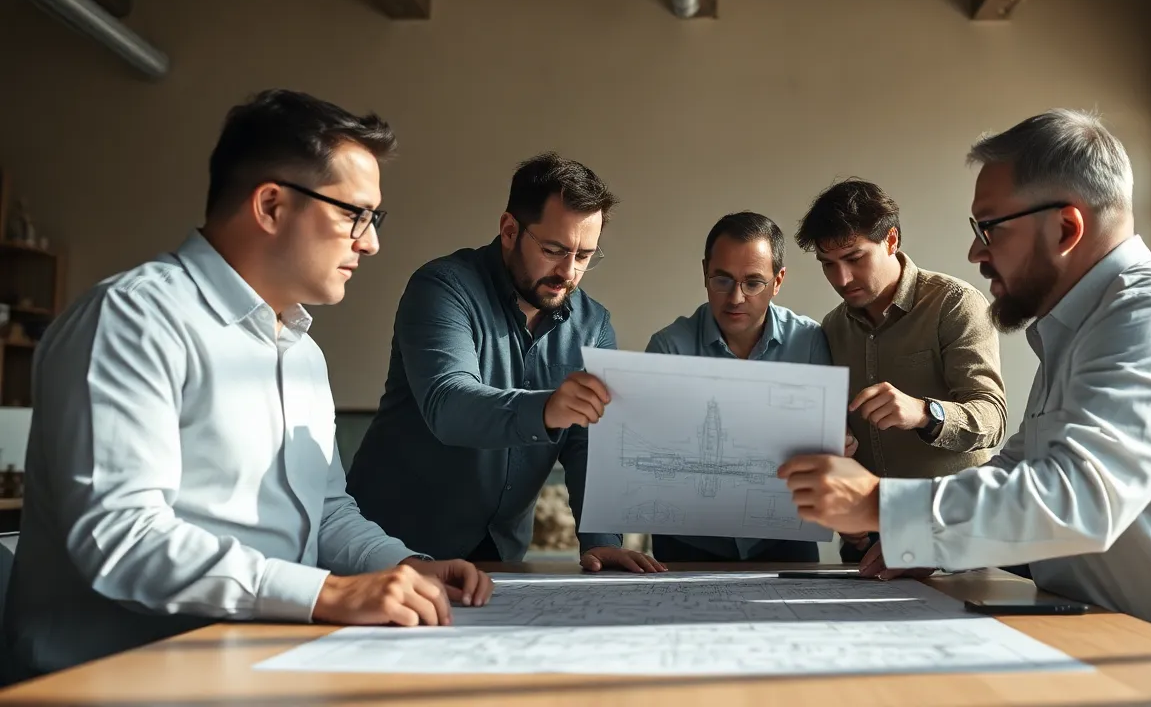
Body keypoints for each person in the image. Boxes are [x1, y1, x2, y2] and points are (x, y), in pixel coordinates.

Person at [778, 109, 1151, 676]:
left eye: (989, 228)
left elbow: (1074, 499)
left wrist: (877, 504)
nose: (975, 252)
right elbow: (1020, 463)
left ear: (1065, 228)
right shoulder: (1081, 329)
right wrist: (929, 544)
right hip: (1124, 646)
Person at [1, 89, 493, 682]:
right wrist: (326, 595)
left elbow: (325, 510)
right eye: (353, 214)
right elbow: (122, 539)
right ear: (270, 206)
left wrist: (406, 565)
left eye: (374, 219)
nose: (370, 241)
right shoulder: (133, 319)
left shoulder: (303, 352)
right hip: (110, 682)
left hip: (261, 666)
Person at [346, 153, 663, 574]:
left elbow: (588, 446)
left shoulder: (595, 324)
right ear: (510, 230)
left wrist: (601, 541)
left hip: (500, 558)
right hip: (393, 551)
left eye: (585, 256)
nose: (569, 272)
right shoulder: (442, 288)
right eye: (554, 249)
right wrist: (547, 408)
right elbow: (449, 403)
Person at [793, 178, 1006, 564]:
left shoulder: (954, 305)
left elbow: (993, 419)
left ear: (891, 241)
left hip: (956, 531)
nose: (841, 279)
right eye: (828, 265)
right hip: (869, 542)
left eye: (855, 259)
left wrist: (925, 413)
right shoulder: (830, 328)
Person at [643, 212, 856, 563]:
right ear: (705, 273)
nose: (736, 298)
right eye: (722, 280)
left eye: (753, 283)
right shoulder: (668, 349)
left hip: (785, 538)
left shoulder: (809, 341)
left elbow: (829, 441)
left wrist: (839, 442)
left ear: (779, 280)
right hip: (689, 542)